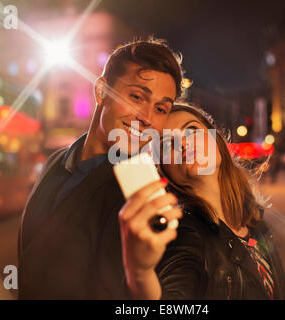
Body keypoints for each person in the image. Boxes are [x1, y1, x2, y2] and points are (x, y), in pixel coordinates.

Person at [17, 38, 184, 299]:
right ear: (101, 91)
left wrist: (141, 272)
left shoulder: (142, 191)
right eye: (137, 97)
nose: (147, 118)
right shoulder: (56, 161)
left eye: (161, 108)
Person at [119, 103, 285, 299]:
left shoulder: (254, 219)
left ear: (217, 140)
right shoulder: (184, 234)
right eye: (167, 143)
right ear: (164, 169)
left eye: (192, 131)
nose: (183, 144)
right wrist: (141, 273)